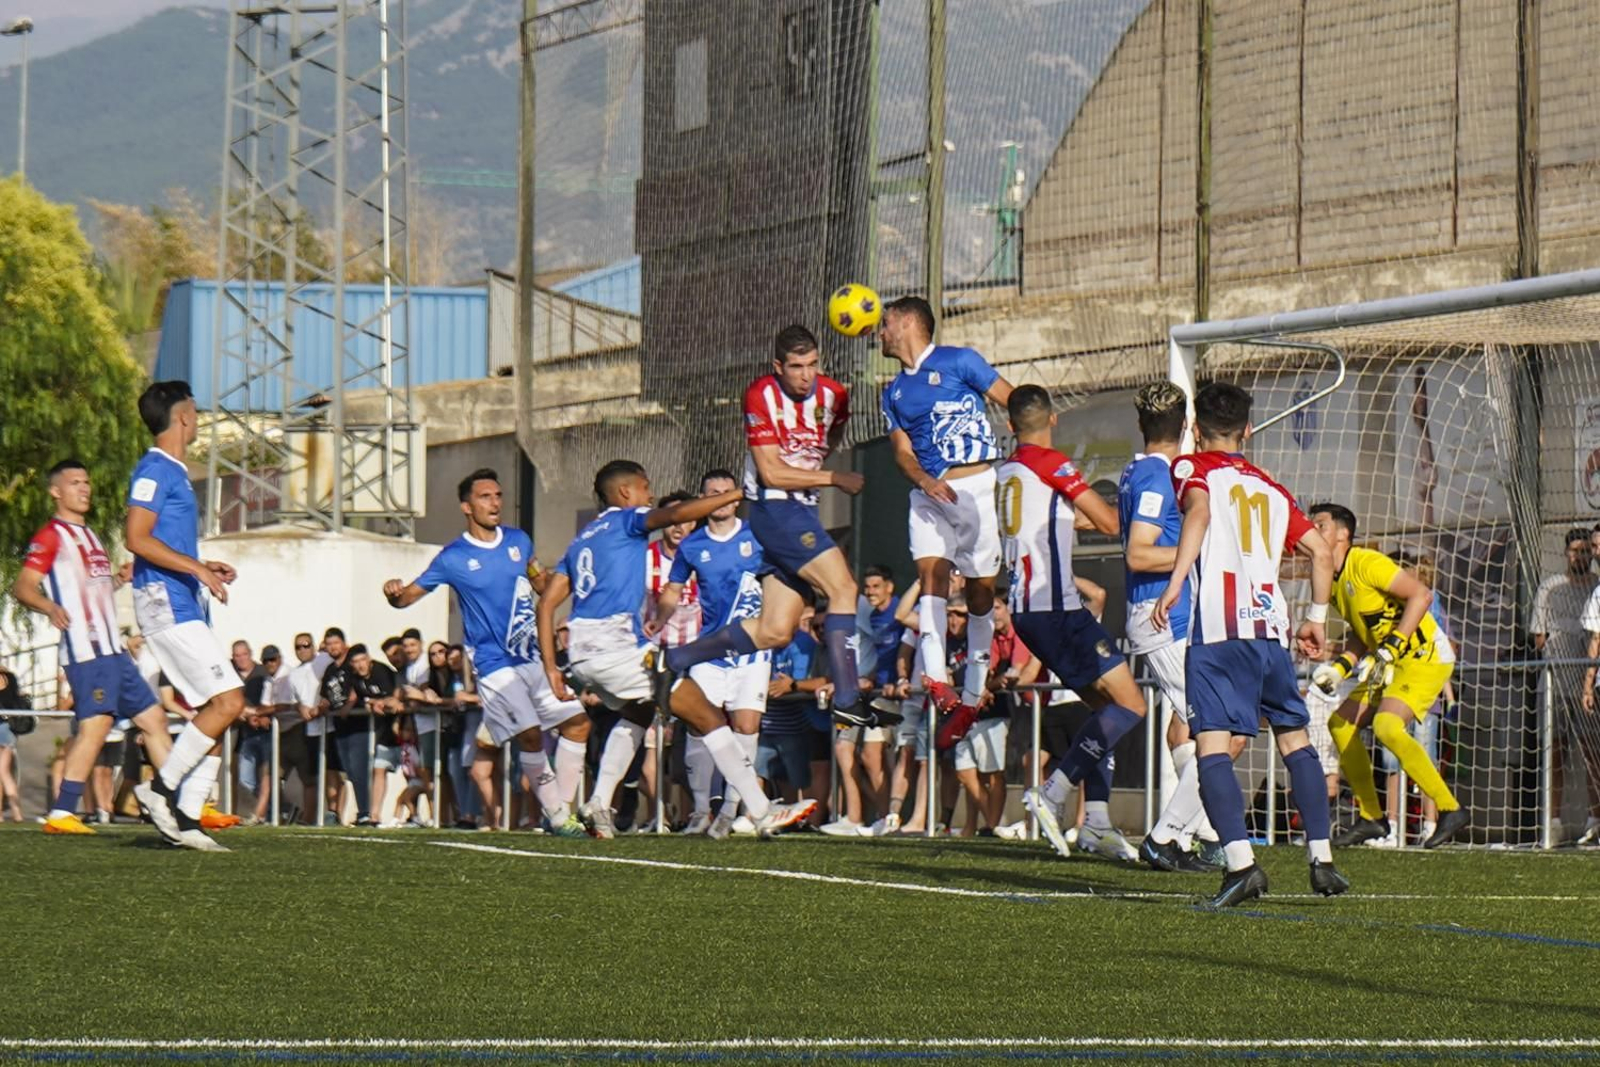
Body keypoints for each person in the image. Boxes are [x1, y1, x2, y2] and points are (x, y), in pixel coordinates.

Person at [1151, 381, 1348, 908]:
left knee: (1212, 747)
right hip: (1270, 631)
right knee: (1296, 740)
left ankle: (1241, 866)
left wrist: (1175, 582)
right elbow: (1321, 554)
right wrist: (1316, 619)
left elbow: (1198, 513)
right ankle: (1322, 860)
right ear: (1249, 431)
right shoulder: (1273, 488)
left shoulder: (1193, 469)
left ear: (1195, 431)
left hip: (1217, 635)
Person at [661, 325, 891, 730]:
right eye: (797, 366)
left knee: (774, 631)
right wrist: (833, 478)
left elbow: (830, 434)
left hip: (802, 511)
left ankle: (677, 659)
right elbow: (770, 472)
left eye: (813, 365)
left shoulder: (834, 395)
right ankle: (848, 696)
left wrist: (817, 464)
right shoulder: (760, 394)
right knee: (844, 588)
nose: (806, 375)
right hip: (775, 511)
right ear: (778, 367)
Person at [537, 460, 742, 838]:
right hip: (615, 646)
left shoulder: (582, 539)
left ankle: (598, 803)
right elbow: (678, 513)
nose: (650, 495)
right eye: (646, 487)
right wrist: (735, 495)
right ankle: (760, 809)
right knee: (707, 715)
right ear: (625, 492)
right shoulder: (625, 520)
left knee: (639, 713)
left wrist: (552, 666)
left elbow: (547, 603)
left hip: (582, 655)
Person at [384, 468, 591, 836]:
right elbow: (407, 598)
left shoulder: (518, 541)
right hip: (494, 666)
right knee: (529, 735)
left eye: (497, 495)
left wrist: (566, 581)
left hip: (532, 657)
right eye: (485, 497)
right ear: (467, 506)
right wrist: (393, 592)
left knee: (579, 725)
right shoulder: (453, 558)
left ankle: (559, 810)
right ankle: (561, 817)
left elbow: (539, 582)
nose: (495, 502)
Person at [990, 386, 1140, 863]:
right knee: (1131, 705)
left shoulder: (1008, 471)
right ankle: (1052, 792)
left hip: (1025, 610)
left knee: (1104, 715)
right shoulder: (1053, 464)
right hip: (1055, 606)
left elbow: (1063, 519)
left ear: (1011, 425)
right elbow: (1112, 524)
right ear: (1053, 420)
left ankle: (1095, 821)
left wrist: (1080, 520)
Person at [10, 459, 177, 836]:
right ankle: (62, 813)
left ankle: (181, 802)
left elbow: (91, 592)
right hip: (87, 652)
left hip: (114, 651)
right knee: (97, 724)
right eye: (74, 482)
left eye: (86, 481)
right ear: (56, 491)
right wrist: (49, 606)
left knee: (154, 720)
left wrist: (117, 580)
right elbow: (22, 586)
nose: (84, 488)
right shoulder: (51, 535)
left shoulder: (91, 535)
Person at [878, 295, 1014, 729]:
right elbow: (902, 453)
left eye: (883, 324)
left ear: (903, 323)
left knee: (979, 594)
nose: (878, 332)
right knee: (931, 576)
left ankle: (974, 687)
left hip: (975, 488)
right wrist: (924, 481)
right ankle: (936, 678)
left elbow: (1010, 397)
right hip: (929, 493)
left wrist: (1023, 426)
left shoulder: (959, 361)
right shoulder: (893, 391)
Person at [123, 382, 245, 851]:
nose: (198, 419)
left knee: (216, 710)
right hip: (165, 602)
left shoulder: (171, 469)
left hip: (182, 597)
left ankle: (189, 817)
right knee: (230, 700)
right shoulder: (155, 469)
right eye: (195, 410)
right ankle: (160, 790)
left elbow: (161, 542)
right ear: (183, 418)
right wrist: (194, 567)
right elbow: (137, 537)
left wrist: (201, 565)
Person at [1307, 504, 1469, 849]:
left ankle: (1449, 808)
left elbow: (1421, 596)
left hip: (1425, 657)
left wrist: (1394, 644)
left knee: (1386, 726)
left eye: (1319, 524)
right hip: (1391, 663)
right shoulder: (1333, 582)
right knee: (1340, 724)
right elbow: (1363, 635)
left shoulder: (1367, 562)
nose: (1311, 530)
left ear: (1342, 534)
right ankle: (1373, 818)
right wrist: (1338, 669)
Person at [1118, 382, 1229, 874]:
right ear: (1186, 427)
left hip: (1169, 616)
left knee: (1190, 726)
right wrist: (1198, 552)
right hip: (1163, 616)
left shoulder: (1145, 472)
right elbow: (1139, 553)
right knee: (1219, 727)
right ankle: (1174, 835)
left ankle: (1204, 834)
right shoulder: (1156, 478)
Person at [648, 469, 771, 839]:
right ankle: (701, 809)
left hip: (753, 651)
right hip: (710, 651)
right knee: (701, 727)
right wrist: (659, 618)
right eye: (711, 492)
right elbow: (672, 589)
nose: (719, 498)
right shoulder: (693, 544)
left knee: (747, 726)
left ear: (736, 498)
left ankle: (732, 810)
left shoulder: (758, 537)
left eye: (725, 491)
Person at [287, 631, 334, 824]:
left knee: (333, 773)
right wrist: (301, 708)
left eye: (306, 645)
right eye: (298, 646)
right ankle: (309, 817)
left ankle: (334, 813)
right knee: (312, 776)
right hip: (310, 728)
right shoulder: (294, 674)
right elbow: (294, 701)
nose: (302, 649)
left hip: (329, 725)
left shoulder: (324, 660)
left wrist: (322, 705)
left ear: (314, 646)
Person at [0, 669, 25, 822]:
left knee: (3, 772)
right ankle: (13, 813)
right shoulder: (11, 678)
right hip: (9, 729)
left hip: (1, 727)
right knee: (4, 772)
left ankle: (10, 812)